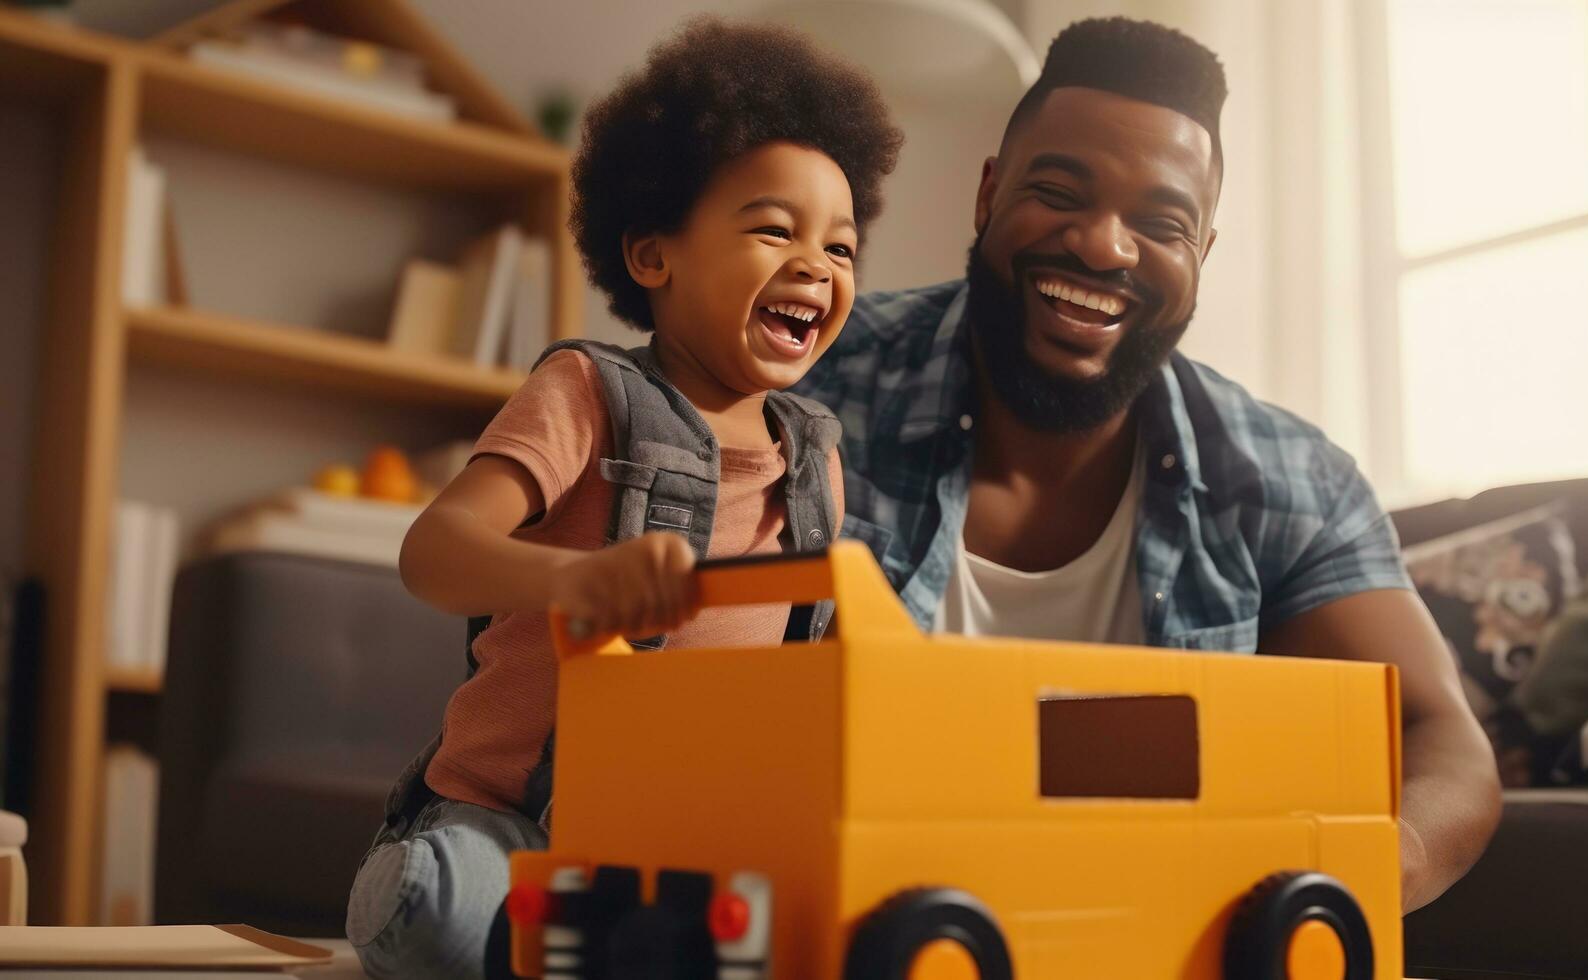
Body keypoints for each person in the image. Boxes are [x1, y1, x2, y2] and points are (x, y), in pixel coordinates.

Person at [793, 16, 1500, 913]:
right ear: (988, 195)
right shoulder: (806, 380)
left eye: (1160, 223)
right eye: (1060, 191)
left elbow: (1440, 737)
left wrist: (1361, 871)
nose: (1104, 245)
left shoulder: (1291, 479)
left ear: (1200, 256)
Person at [345, 18, 902, 977]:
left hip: (684, 835)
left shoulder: (815, 459)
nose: (816, 264)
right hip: (514, 819)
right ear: (653, 255)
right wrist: (579, 578)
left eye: (841, 248)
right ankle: (428, 888)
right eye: (774, 228)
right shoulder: (587, 393)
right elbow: (432, 550)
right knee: (441, 918)